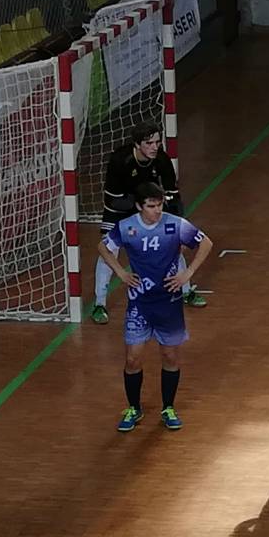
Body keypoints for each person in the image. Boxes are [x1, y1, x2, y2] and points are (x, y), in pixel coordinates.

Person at [97, 182, 214, 432]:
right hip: (139, 305)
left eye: (160, 204)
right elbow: (103, 247)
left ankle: (168, 407)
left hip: (169, 304)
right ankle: (134, 409)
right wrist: (120, 272)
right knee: (132, 358)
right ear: (139, 206)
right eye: (151, 206)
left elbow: (206, 244)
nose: (157, 210)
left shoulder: (175, 224)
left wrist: (187, 274)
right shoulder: (127, 227)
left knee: (170, 355)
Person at [91, 119, 206, 325]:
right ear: (137, 144)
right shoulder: (120, 160)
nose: (154, 147)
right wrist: (138, 206)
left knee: (172, 244)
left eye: (157, 142)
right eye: (149, 143)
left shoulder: (162, 160)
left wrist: (177, 224)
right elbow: (112, 199)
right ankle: (99, 303)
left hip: (148, 207)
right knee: (110, 249)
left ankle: (186, 290)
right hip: (121, 208)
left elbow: (172, 195)